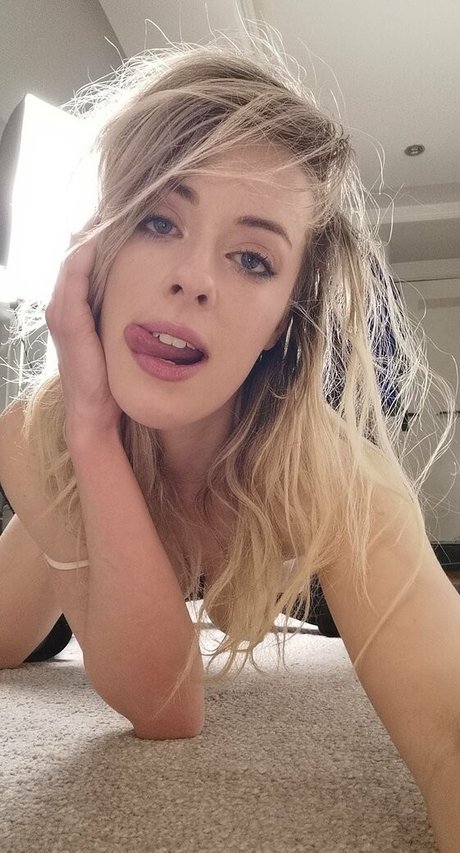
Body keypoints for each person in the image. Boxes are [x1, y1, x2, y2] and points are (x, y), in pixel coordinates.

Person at [1, 36, 460, 835]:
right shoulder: (36, 433)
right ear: (96, 248)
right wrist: (92, 431)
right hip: (74, 498)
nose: (194, 278)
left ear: (284, 319)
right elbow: (165, 708)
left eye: (252, 259)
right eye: (157, 220)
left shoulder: (339, 477)